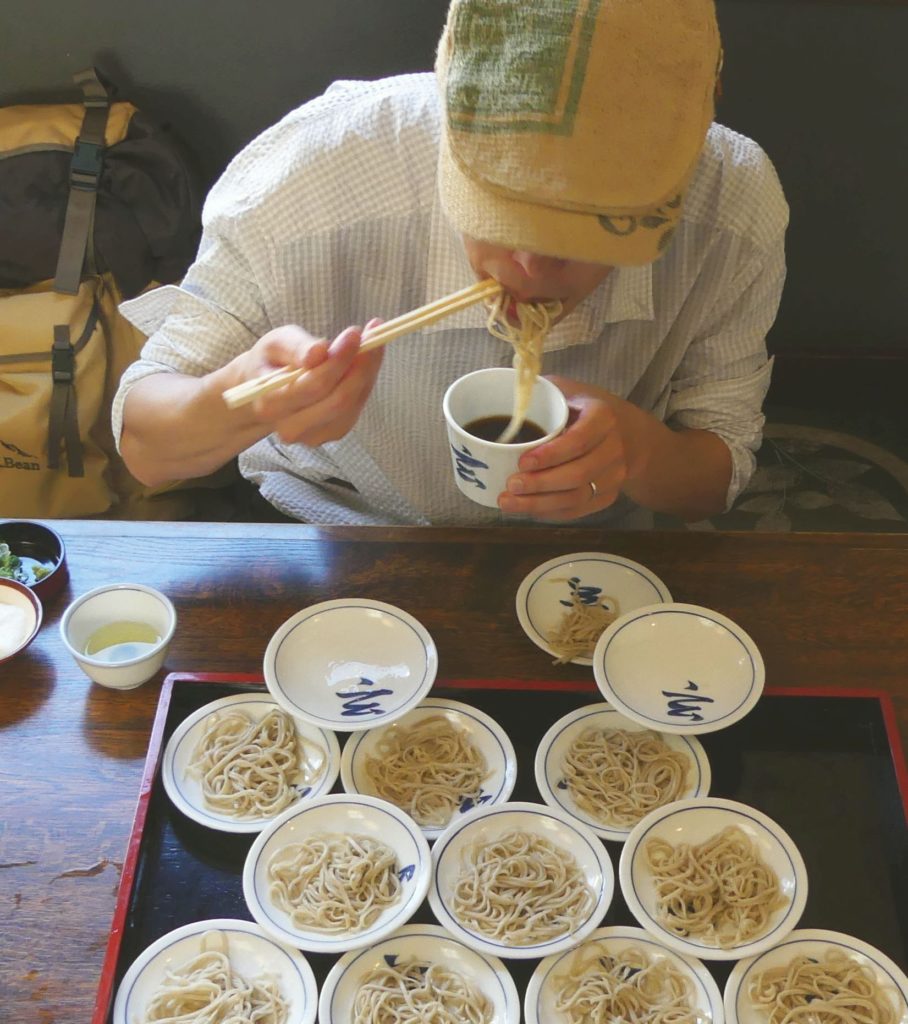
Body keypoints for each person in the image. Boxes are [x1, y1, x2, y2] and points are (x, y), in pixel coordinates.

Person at [113, 0, 788, 527]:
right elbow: (144, 441)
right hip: (330, 527)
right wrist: (242, 399)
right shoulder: (314, 175)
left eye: (580, 230)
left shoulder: (731, 209)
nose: (527, 259)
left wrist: (639, 452)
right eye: (498, 204)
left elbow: (716, 477)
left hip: (592, 545)